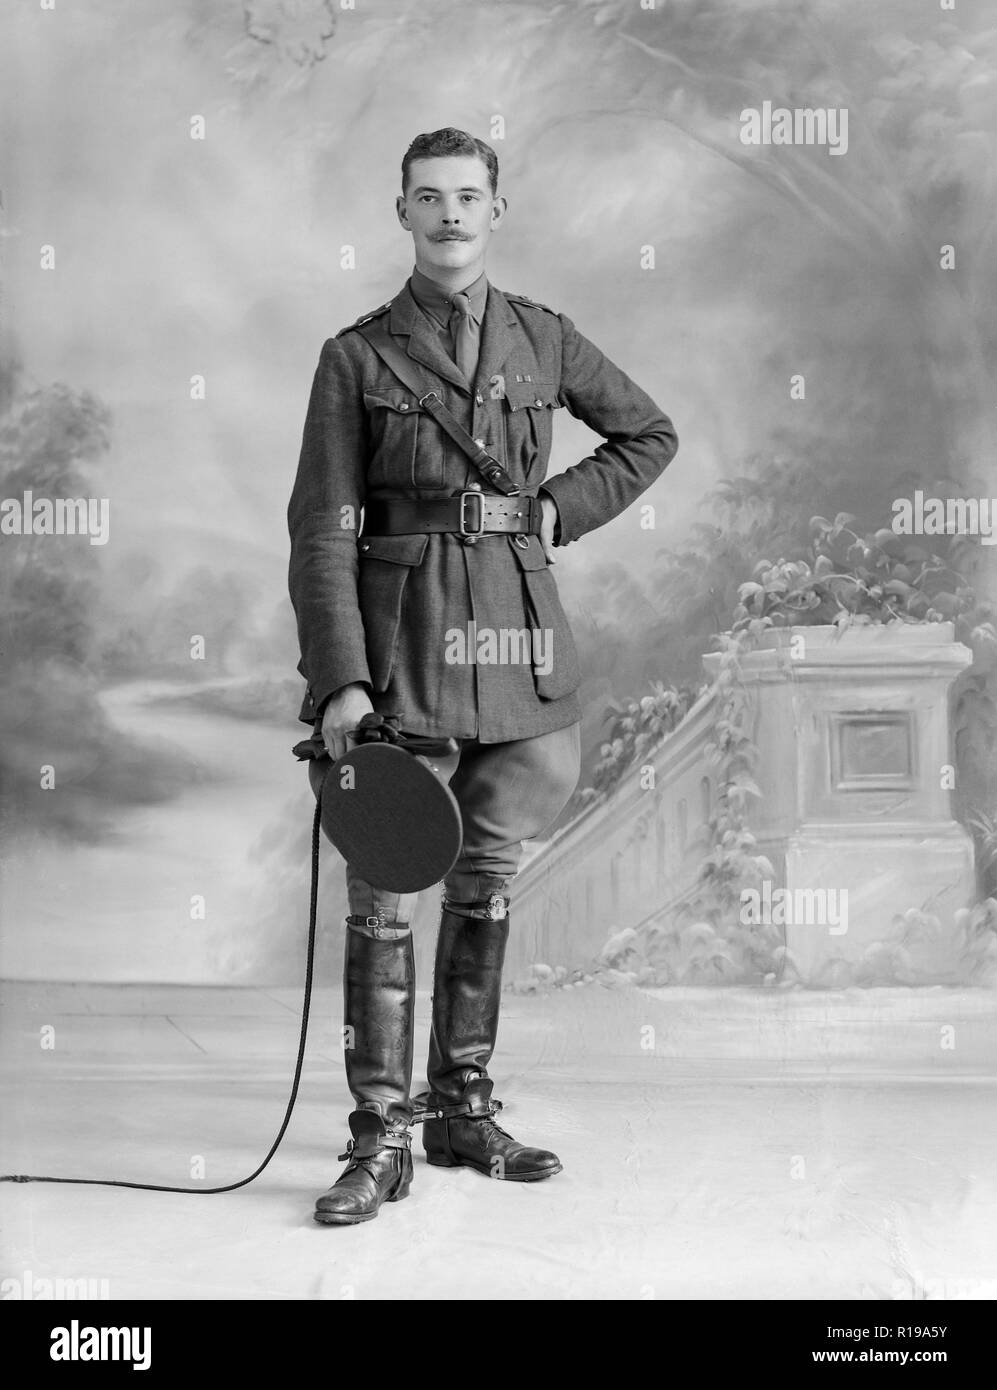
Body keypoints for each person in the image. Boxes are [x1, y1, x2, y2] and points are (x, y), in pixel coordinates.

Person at [287, 127, 678, 1224]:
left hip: (515, 636)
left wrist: (555, 508)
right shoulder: (356, 356)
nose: (450, 214)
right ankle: (380, 1136)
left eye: (468, 196)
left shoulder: (543, 338)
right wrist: (340, 682)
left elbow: (646, 434)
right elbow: (322, 528)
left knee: (490, 868)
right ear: (401, 213)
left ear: (496, 210)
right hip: (403, 643)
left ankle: (462, 1105)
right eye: (428, 198)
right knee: (384, 888)